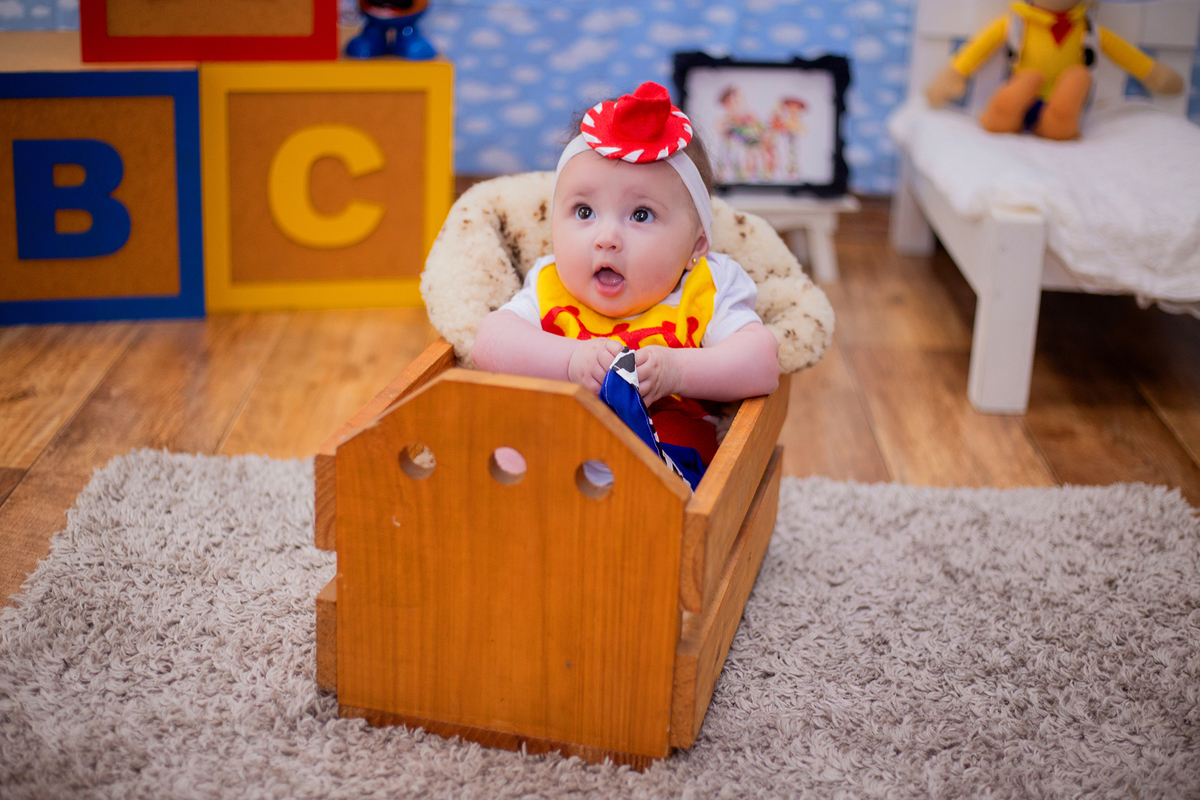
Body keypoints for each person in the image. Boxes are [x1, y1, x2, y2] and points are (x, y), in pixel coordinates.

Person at [470, 81, 779, 477]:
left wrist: (678, 371)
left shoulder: (706, 286)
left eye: (641, 215)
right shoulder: (551, 282)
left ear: (696, 245)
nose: (606, 239)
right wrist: (571, 361)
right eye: (584, 212)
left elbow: (762, 362)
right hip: (555, 454)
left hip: (660, 469)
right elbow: (490, 341)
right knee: (504, 449)